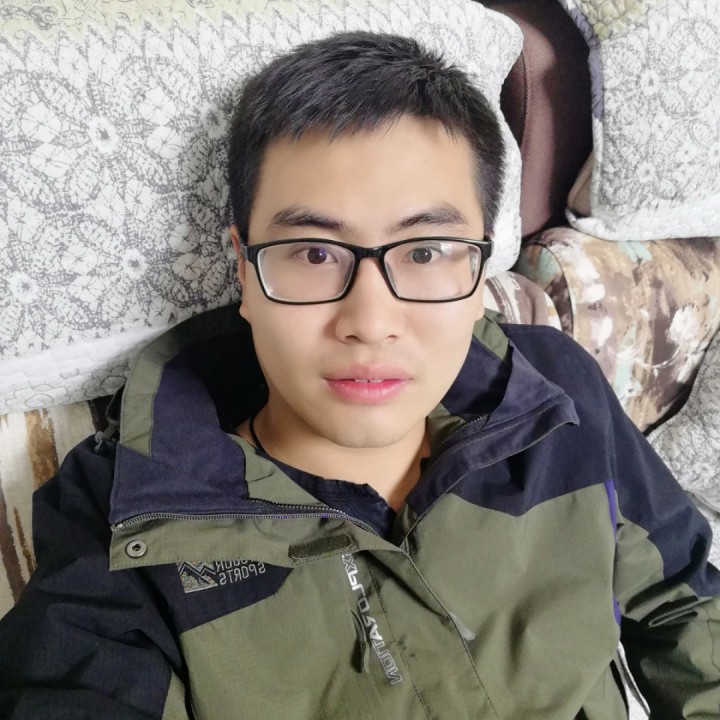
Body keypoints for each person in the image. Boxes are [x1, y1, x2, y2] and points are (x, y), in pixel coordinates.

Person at [1, 30, 718, 720]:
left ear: (479, 272)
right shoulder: (123, 512)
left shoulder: (557, 386)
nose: (370, 322)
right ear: (243, 271)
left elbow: (686, 605)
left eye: (426, 251)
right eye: (315, 253)